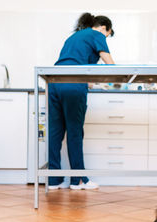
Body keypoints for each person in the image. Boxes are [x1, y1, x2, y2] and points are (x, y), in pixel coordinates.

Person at [48, 13, 115, 190]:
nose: (105, 37)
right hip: (73, 83)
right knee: (75, 132)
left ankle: (54, 181)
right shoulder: (96, 34)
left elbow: (72, 63)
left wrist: (90, 83)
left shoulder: (74, 37)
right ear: (103, 28)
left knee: (56, 132)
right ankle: (78, 180)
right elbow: (109, 62)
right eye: (107, 35)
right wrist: (116, 79)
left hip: (54, 82)